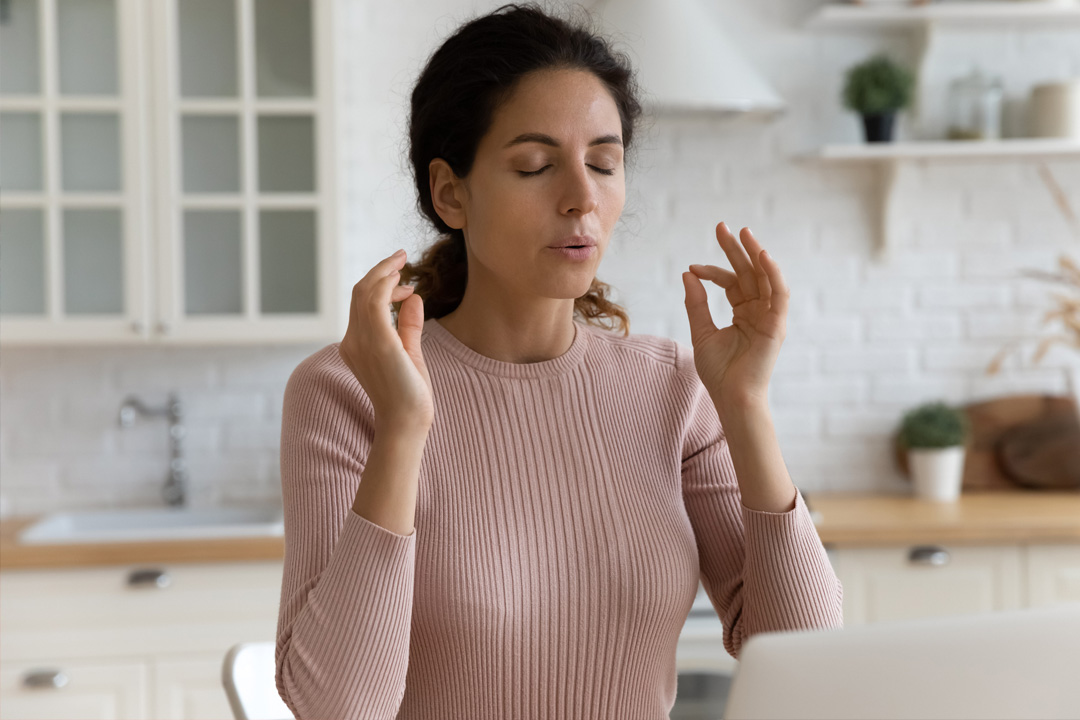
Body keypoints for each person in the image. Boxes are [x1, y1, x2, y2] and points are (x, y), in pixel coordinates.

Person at [274, 4, 843, 719]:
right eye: (536, 166)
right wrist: (403, 429)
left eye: (604, 163)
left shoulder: (670, 387)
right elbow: (337, 707)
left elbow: (806, 657)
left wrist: (747, 408)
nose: (582, 199)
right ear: (451, 192)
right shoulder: (347, 392)